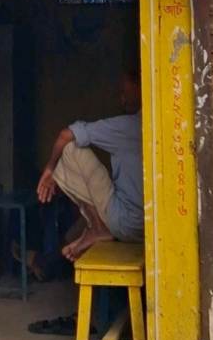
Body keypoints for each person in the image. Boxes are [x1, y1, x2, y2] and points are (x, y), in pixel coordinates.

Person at [37, 70, 143, 261]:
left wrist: (49, 169)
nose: (122, 99)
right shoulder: (161, 126)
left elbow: (65, 135)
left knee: (70, 149)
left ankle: (97, 227)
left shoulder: (129, 125)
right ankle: (93, 229)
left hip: (126, 223)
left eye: (124, 92)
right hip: (151, 228)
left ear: (141, 88)